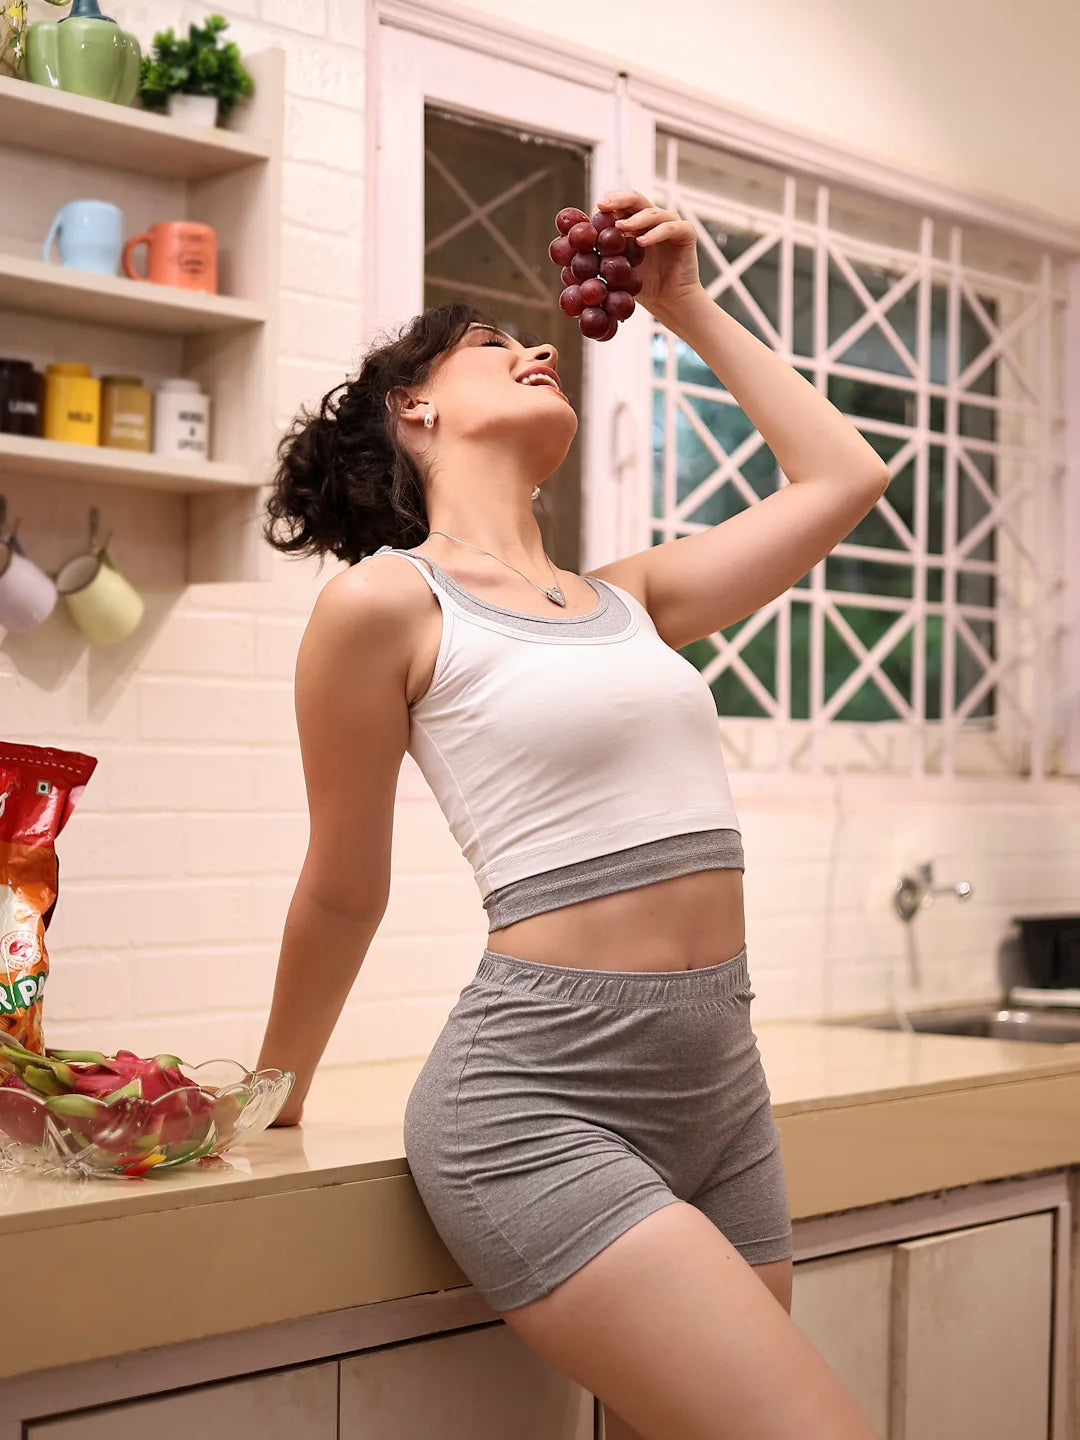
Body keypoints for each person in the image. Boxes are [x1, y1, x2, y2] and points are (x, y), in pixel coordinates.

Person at [257, 188, 887, 1440]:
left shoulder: (630, 599)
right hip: (539, 1097)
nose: (539, 346)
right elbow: (342, 884)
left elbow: (845, 475)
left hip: (720, 1081)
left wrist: (687, 303)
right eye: (492, 344)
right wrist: (271, 1093)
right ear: (413, 408)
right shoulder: (386, 603)